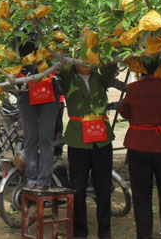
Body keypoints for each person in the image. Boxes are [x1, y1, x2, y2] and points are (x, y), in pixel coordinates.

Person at [118, 57, 161, 239]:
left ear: (142, 69)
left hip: (138, 146)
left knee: (141, 195)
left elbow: (124, 112)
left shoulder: (133, 88)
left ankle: (144, 235)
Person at [60, 62, 118, 239]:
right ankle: (79, 232)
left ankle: (105, 232)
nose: (86, 62)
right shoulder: (69, 80)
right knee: (78, 188)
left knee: (104, 188)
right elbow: (65, 65)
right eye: (81, 59)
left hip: (101, 141)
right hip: (78, 141)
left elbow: (111, 64)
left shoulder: (99, 78)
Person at [16, 36, 61, 191]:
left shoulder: (51, 29)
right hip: (26, 89)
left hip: (49, 88)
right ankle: (31, 178)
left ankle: (44, 180)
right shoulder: (16, 30)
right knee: (30, 137)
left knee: (46, 138)